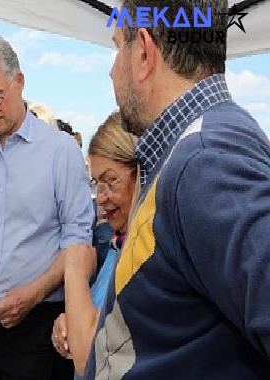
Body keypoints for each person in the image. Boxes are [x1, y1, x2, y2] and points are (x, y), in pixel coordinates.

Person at [81, 1, 270, 378]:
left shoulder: (205, 159)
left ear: (144, 53)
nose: (112, 69)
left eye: (119, 47)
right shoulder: (191, 150)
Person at [0, 36, 93, 379]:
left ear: (20, 82)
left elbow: (78, 241)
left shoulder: (59, 151)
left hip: (38, 328)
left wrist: (34, 293)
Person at [51, 113, 137, 377]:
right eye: (96, 183)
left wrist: (74, 271)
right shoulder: (116, 248)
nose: (100, 198)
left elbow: (89, 353)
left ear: (142, 175)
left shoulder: (144, 259)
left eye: (110, 182)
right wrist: (69, 324)